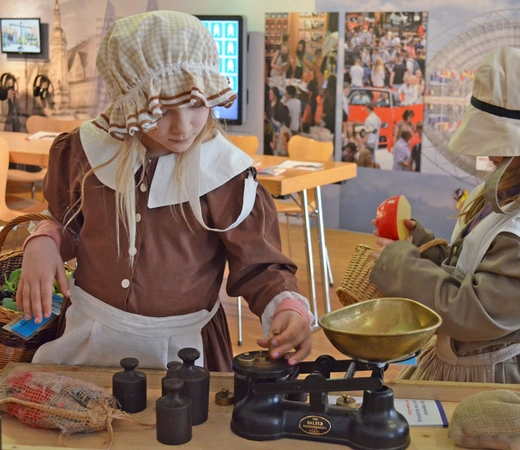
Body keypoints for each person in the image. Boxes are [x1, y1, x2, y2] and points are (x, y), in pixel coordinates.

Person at [16, 11, 313, 372]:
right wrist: (45, 240)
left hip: (183, 353)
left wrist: (285, 306)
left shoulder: (224, 175)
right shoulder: (85, 151)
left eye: (196, 103)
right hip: (87, 339)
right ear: (130, 98)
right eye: (162, 110)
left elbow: (259, 265)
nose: (183, 125)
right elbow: (68, 223)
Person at [369, 47, 520, 385]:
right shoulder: (503, 197)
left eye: (495, 140)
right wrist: (426, 248)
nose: (486, 152)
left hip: (496, 378)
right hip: (464, 362)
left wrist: (402, 266)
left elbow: (475, 311)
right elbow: (477, 270)